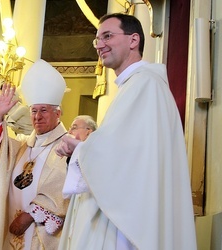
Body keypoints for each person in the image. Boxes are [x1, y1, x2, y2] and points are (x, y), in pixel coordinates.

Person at [56, 13, 196, 250]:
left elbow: (129, 159)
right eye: (97, 39)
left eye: (107, 36)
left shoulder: (145, 84)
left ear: (133, 40)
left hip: (127, 223)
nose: (99, 45)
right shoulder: (134, 86)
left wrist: (80, 148)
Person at [0, 59, 70, 249]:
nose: (37, 117)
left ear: (58, 113)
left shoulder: (67, 147)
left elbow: (65, 190)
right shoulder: (22, 147)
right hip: (12, 233)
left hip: (41, 235)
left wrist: (31, 213)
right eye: (34, 111)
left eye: (44, 111)